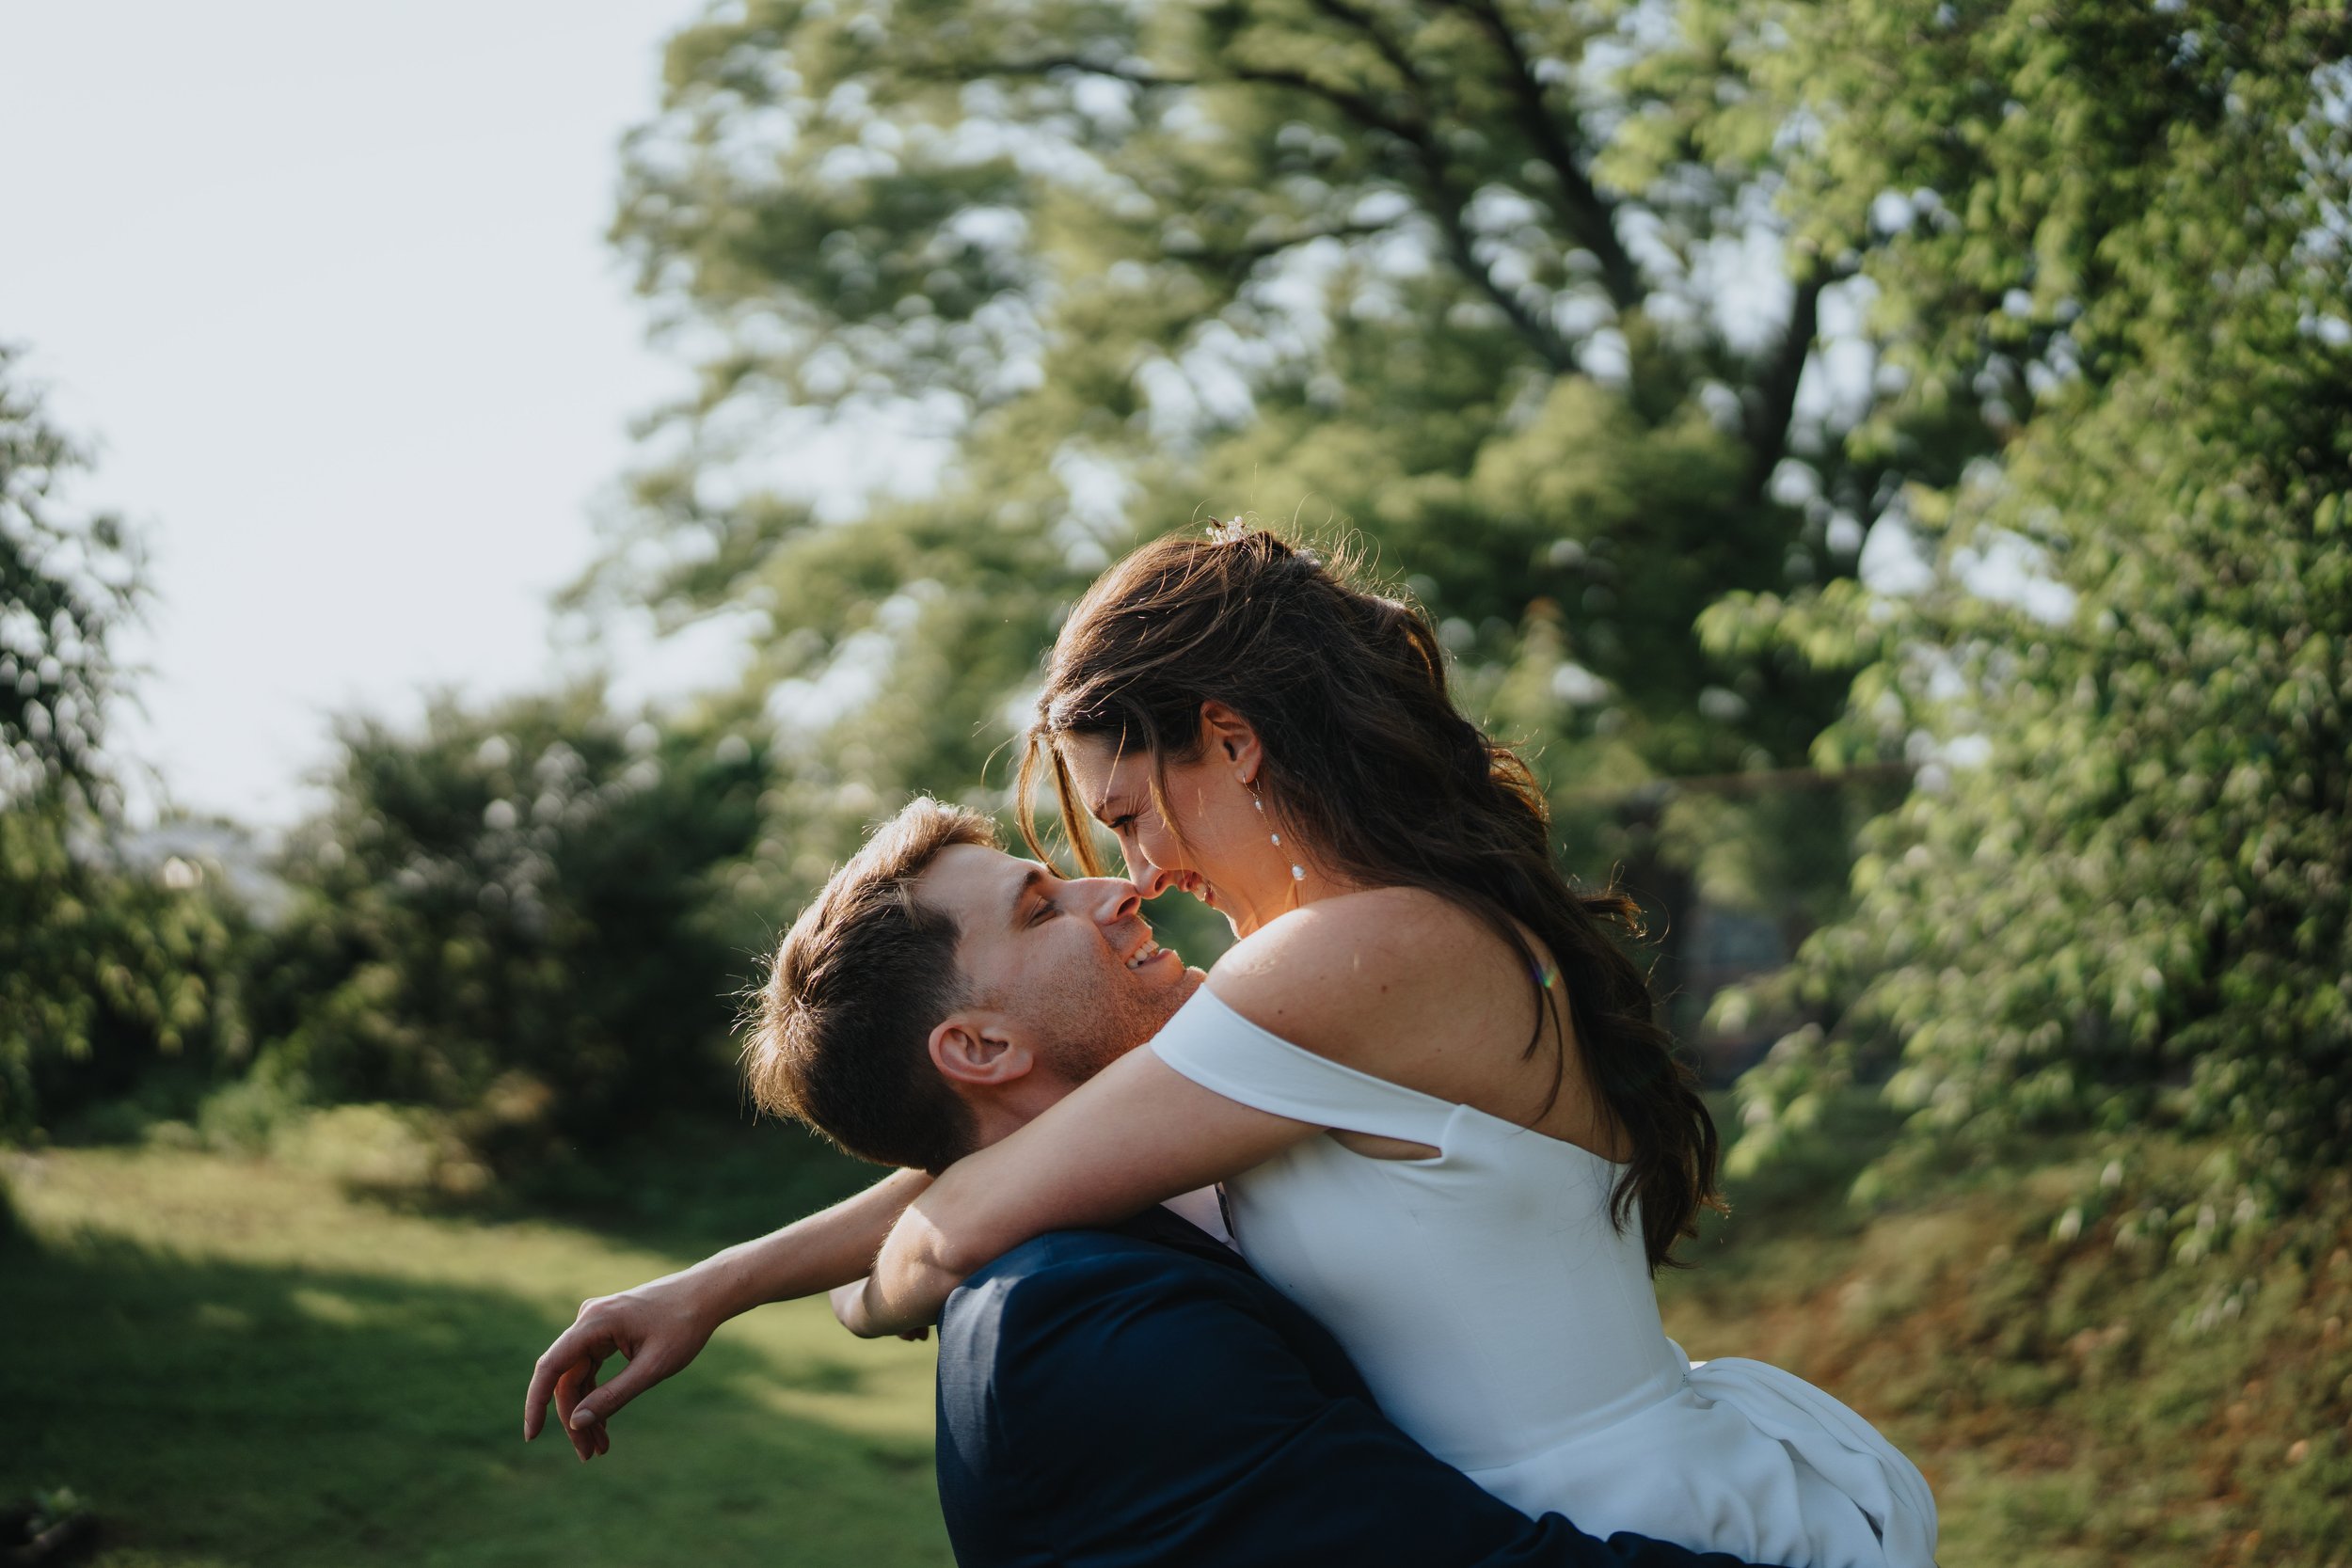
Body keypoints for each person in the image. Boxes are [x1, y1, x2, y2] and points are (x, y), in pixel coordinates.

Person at [827, 530, 1937, 1568]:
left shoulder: (1340, 960)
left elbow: (968, 1212)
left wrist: (870, 1303)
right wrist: (742, 1279)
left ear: (1231, 741)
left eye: (1128, 814)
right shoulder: (1388, 943)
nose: (1142, 872)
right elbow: (1045, 1149)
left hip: (1624, 1515)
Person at [525, 800, 1783, 1568]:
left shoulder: (1151, 1147)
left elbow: (975, 1173)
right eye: (1041, 904)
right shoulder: (1085, 1321)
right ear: (980, 1048)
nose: (1117, 881)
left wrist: (725, 1279)